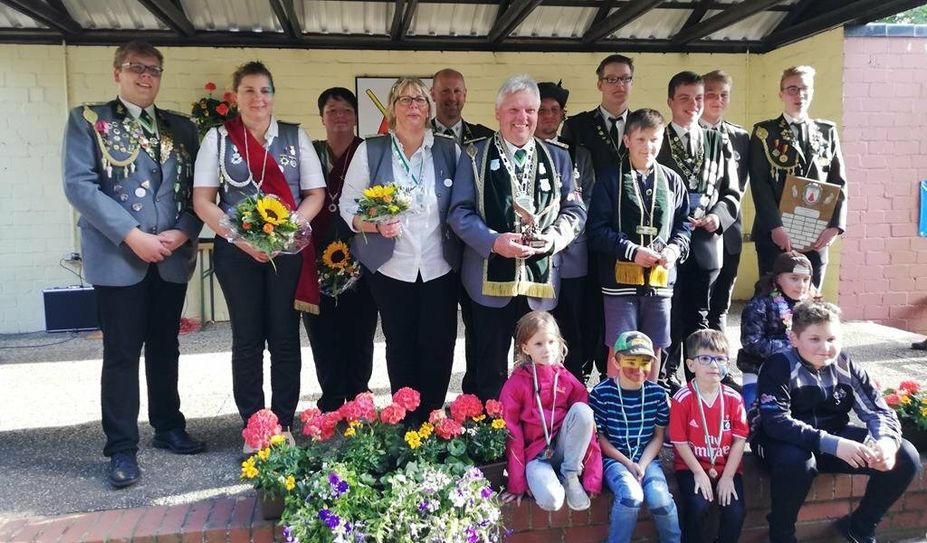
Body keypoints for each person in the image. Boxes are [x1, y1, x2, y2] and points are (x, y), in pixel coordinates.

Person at [62, 40, 205, 488]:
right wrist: (133, 235)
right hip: (120, 255)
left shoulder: (180, 128)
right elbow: (80, 186)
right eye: (137, 68)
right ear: (117, 73)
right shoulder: (90, 121)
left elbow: (197, 191)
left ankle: (167, 426)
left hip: (169, 255)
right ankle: (122, 449)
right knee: (122, 354)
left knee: (166, 346)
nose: (146, 76)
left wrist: (183, 232)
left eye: (154, 69)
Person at [193, 61, 326, 453]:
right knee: (247, 338)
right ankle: (254, 423)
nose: (257, 98)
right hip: (237, 254)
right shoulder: (218, 139)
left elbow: (315, 193)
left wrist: (289, 229)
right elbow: (203, 199)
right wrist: (238, 237)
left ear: (272, 95)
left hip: (285, 253)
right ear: (235, 97)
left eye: (264, 90)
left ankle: (283, 421)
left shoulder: (294, 135)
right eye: (249, 91)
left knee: (284, 338)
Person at [449, 74, 586, 401]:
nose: (522, 118)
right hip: (488, 281)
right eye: (513, 110)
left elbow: (575, 211)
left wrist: (554, 239)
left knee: (538, 362)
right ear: (498, 112)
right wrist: (494, 241)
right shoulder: (473, 155)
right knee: (489, 365)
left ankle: (535, 428)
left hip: (540, 281)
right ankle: (489, 433)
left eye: (530, 110)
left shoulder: (559, 157)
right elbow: (459, 212)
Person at [340, 77, 463, 422]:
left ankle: (435, 417)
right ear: (392, 108)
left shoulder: (448, 149)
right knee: (400, 343)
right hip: (391, 266)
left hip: (439, 265)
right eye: (405, 99)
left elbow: (463, 205)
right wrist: (375, 226)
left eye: (420, 100)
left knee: (439, 344)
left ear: (430, 108)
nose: (413, 106)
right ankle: (407, 418)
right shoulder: (372, 150)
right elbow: (348, 207)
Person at [750, 301, 921, 543]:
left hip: (832, 439)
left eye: (832, 339)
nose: (825, 347)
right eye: (815, 339)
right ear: (794, 338)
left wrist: (886, 443)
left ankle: (859, 528)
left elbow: (878, 411)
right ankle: (781, 534)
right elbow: (776, 422)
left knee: (906, 456)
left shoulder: (845, 365)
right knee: (798, 462)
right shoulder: (779, 365)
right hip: (779, 442)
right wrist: (833, 444)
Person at [587, 108, 691, 383]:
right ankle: (614, 410)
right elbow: (596, 230)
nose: (649, 146)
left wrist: (673, 249)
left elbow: (683, 226)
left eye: (655, 139)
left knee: (654, 346)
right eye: (642, 139)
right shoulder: (610, 179)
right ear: (627, 141)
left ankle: (650, 407)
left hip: (660, 279)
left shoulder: (672, 181)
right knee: (620, 346)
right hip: (619, 280)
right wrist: (632, 251)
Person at [656, 71, 740, 392]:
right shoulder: (657, 139)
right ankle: (665, 381)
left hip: (706, 244)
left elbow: (732, 193)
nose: (693, 105)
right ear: (670, 102)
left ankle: (700, 384)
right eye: (684, 98)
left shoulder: (718, 141)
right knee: (668, 316)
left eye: (698, 98)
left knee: (699, 317)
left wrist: (717, 218)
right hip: (666, 245)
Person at [301, 87, 378, 413]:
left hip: (360, 257)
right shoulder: (311, 154)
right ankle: (332, 397)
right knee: (323, 332)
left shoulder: (368, 152)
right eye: (332, 111)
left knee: (360, 331)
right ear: (322, 117)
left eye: (346, 110)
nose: (340, 117)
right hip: (316, 259)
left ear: (356, 116)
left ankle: (359, 394)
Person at [561, 54, 635, 382]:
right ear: (599, 84)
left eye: (625, 79)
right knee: (588, 309)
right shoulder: (577, 125)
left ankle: (614, 378)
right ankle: (580, 373)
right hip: (590, 234)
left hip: (631, 237)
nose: (618, 85)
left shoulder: (642, 126)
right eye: (612, 79)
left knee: (620, 313)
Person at [749, 65, 847, 288]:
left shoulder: (826, 132)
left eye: (804, 89)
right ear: (781, 94)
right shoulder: (765, 132)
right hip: (776, 234)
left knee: (811, 298)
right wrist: (776, 227)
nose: (799, 95)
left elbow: (838, 181)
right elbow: (759, 182)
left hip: (816, 233)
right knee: (773, 299)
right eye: (792, 89)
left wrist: (835, 226)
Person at [499, 311, 602, 512]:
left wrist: (592, 478)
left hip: (565, 452)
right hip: (536, 457)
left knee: (583, 412)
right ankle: (554, 481)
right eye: (538, 344)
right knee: (552, 501)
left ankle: (570, 476)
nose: (547, 349)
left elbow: (588, 431)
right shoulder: (515, 384)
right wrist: (517, 484)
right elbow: (512, 434)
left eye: (551, 342)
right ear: (525, 348)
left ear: (559, 342)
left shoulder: (566, 379)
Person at [589, 331, 681, 543]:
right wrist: (628, 463)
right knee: (631, 496)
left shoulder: (657, 394)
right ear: (616, 361)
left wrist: (642, 463)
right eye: (631, 361)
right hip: (614, 460)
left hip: (647, 459)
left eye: (645, 362)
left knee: (661, 500)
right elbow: (600, 438)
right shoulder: (601, 394)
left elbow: (658, 437)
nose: (639, 369)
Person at [535, 81, 596, 382]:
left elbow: (588, 201)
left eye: (554, 111)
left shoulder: (578, 154)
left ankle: (574, 380)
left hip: (572, 251)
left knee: (572, 320)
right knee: (535, 323)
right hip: (534, 254)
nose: (547, 117)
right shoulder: (523, 151)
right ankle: (535, 381)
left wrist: (563, 233)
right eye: (541, 110)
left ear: (562, 116)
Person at [669, 330, 748, 543]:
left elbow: (740, 439)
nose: (714, 365)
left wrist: (729, 476)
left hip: (726, 467)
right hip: (691, 467)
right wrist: (698, 472)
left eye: (720, 359)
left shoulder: (734, 398)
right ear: (691, 365)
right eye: (705, 358)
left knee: (735, 511)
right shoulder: (682, 398)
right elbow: (679, 441)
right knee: (697, 506)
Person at [700, 70, 750, 333]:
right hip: (696, 231)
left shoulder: (739, 137)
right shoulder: (687, 134)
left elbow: (739, 185)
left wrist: (721, 215)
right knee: (697, 304)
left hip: (728, 229)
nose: (717, 100)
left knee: (721, 304)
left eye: (724, 95)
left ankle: (718, 366)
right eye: (711, 94)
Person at [737, 251, 814, 409]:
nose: (801, 285)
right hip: (758, 369)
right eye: (794, 278)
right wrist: (790, 349)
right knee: (753, 411)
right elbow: (751, 342)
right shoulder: (760, 305)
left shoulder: (812, 308)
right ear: (778, 278)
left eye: (806, 279)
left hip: (797, 370)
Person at [429, 68, 494, 145]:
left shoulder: (485, 138)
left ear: (464, 95)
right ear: (433, 94)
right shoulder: (419, 137)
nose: (452, 98)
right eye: (445, 91)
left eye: (457, 91)